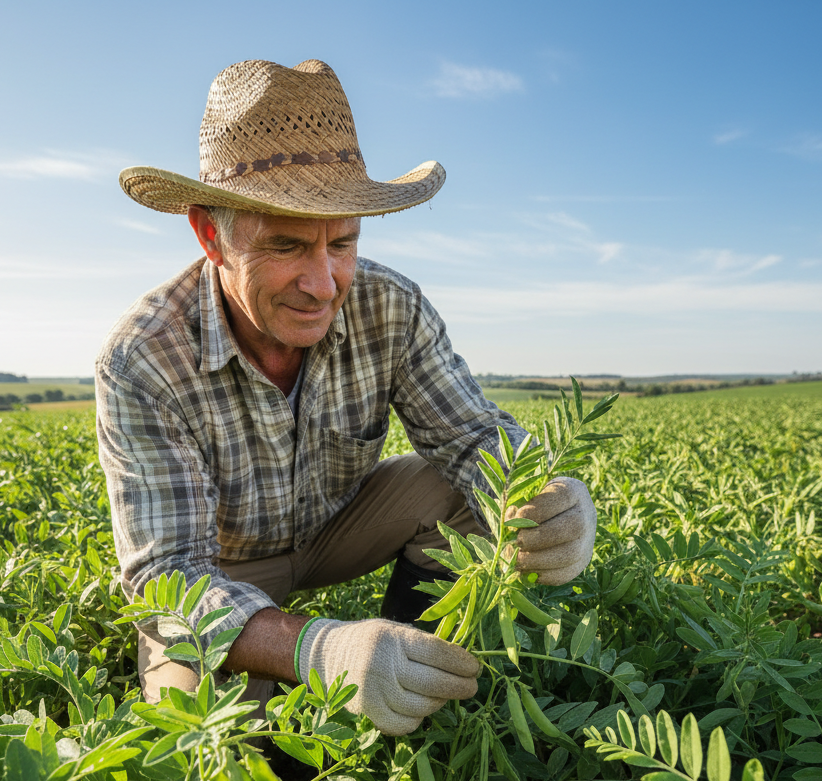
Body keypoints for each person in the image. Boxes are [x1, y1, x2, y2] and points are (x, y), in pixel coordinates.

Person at [96, 59, 597, 736]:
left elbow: (473, 439)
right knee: (195, 729)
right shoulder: (143, 357)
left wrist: (544, 501)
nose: (324, 282)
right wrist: (314, 648)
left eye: (343, 242)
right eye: (287, 246)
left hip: (335, 533)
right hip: (221, 566)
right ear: (212, 234)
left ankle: (419, 674)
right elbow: (168, 579)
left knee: (455, 489)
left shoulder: (389, 306)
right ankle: (344, 677)